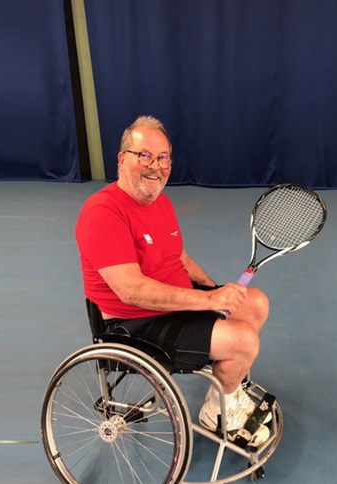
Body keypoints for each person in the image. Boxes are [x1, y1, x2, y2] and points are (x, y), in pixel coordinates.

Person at [74, 115, 272, 445]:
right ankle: (217, 413)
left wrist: (216, 290)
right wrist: (209, 301)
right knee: (244, 341)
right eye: (144, 155)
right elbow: (132, 291)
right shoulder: (102, 213)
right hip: (136, 324)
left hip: (173, 302)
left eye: (163, 157)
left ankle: (225, 393)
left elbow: (178, 258)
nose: (156, 166)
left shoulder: (159, 202)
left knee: (255, 304)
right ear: (122, 159)